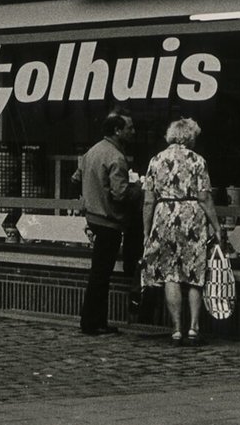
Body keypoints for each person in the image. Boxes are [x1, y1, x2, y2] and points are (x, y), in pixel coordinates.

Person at [140, 117, 226, 346]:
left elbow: (148, 201)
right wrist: (217, 227)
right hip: (192, 217)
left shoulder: (156, 160)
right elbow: (205, 197)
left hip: (164, 216)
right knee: (195, 273)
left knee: (170, 274)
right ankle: (194, 327)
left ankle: (177, 328)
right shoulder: (198, 161)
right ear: (190, 137)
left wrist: (147, 230)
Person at [75, 109, 140, 335]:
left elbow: (76, 177)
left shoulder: (92, 151)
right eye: (129, 128)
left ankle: (94, 320)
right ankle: (93, 322)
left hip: (93, 216)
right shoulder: (116, 157)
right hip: (108, 220)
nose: (133, 132)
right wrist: (139, 188)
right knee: (101, 274)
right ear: (117, 130)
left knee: (98, 273)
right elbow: (121, 194)